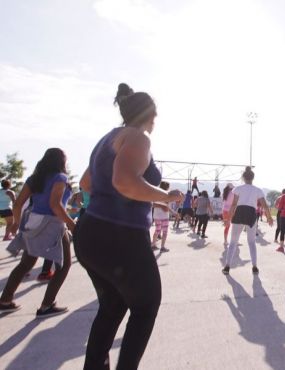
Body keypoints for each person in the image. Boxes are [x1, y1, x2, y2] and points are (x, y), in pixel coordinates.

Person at [74, 83, 183, 369]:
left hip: (90, 231)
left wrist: (148, 201)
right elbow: (124, 182)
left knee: (112, 306)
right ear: (151, 115)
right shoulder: (138, 138)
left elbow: (86, 183)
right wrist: (166, 196)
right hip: (119, 236)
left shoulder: (109, 138)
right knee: (146, 306)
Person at [0, 148, 74, 318]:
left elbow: (18, 204)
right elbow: (56, 205)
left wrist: (17, 224)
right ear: (61, 161)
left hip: (33, 223)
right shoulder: (60, 178)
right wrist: (72, 225)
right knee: (63, 266)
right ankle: (46, 305)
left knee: (26, 264)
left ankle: (5, 300)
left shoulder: (34, 179)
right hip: (53, 225)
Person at [222, 167, 273, 275]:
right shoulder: (258, 190)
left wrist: (228, 219)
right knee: (251, 242)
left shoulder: (238, 188)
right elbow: (264, 205)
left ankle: (227, 267)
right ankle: (254, 267)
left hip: (239, 213)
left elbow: (234, 205)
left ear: (243, 177)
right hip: (251, 214)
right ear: (253, 178)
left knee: (233, 242)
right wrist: (269, 218)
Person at [152, 181, 175, 251]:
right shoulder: (167, 195)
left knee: (157, 230)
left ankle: (153, 245)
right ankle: (162, 247)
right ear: (167, 187)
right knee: (164, 232)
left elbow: (153, 204)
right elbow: (166, 208)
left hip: (156, 215)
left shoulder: (156, 194)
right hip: (164, 216)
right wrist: (174, 212)